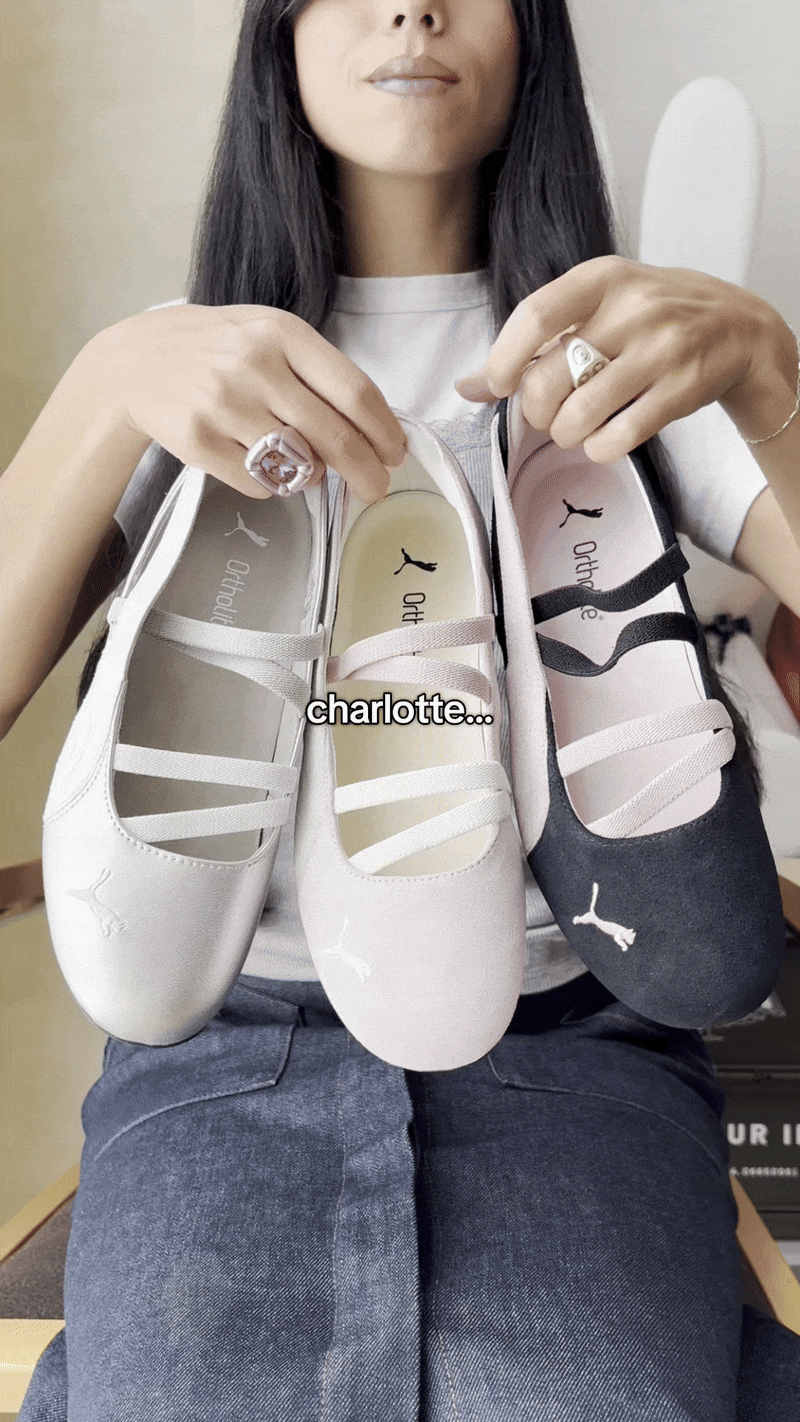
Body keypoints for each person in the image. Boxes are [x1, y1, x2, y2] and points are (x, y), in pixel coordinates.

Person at [2, 0, 799, 1416]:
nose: (412, 6)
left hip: (576, 1037)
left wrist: (770, 380)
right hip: (228, 1034)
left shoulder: (627, 355)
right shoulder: (187, 367)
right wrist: (106, 386)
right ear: (280, 32)